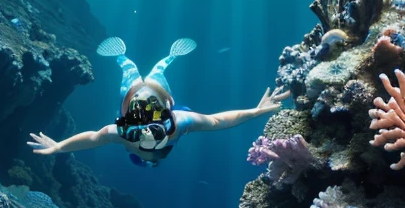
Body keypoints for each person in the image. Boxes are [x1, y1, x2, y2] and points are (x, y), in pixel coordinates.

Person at [28, 37, 288, 167]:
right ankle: (168, 58)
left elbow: (95, 137)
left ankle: (123, 57)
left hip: (129, 94)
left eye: (139, 126)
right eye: (154, 123)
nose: (145, 113)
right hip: (160, 92)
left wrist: (59, 146)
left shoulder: (124, 134)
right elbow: (218, 120)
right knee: (156, 73)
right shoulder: (179, 122)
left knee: (128, 70)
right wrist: (255, 111)